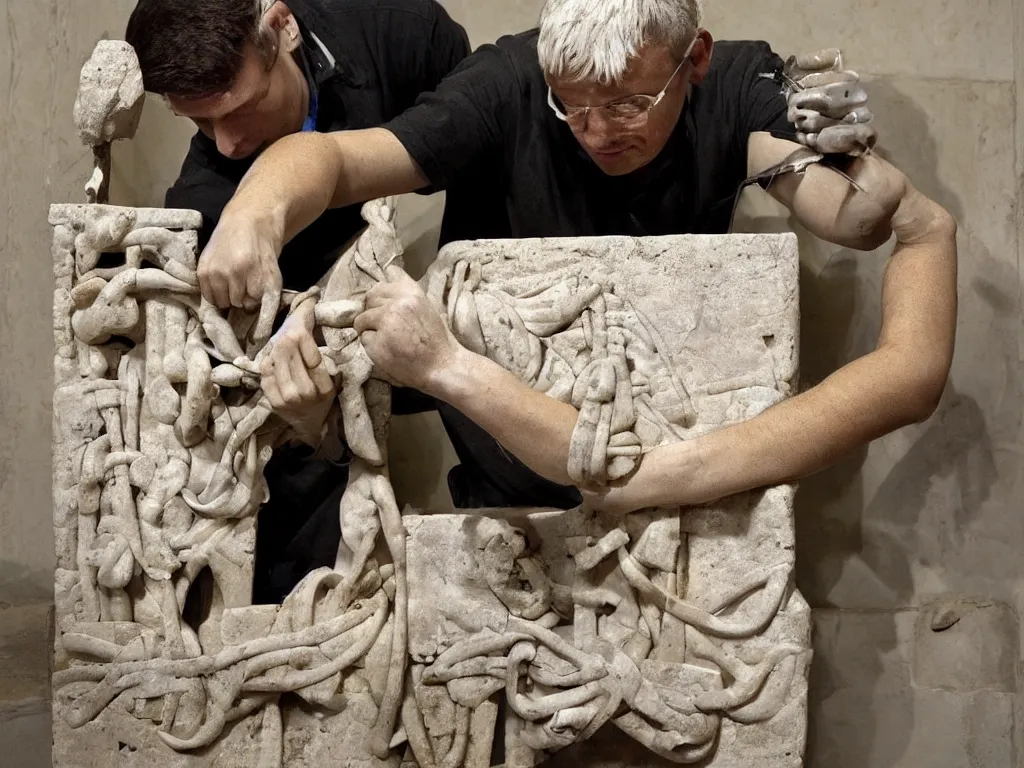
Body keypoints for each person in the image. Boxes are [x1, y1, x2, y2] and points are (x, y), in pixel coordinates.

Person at [195, 0, 957, 514]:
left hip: (664, 456)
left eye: (628, 104)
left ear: (693, 61)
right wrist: (255, 213)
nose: (596, 132)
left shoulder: (730, 87)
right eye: (572, 107)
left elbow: (852, 218)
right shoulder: (506, 85)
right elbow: (335, 160)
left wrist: (850, 159)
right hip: (509, 479)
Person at [125, 0, 470, 599]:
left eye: (241, 108)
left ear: (282, 29)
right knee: (301, 466)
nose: (229, 143)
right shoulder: (206, 197)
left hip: (420, 279)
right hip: (308, 334)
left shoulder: (396, 29)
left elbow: (474, 137)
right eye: (200, 124)